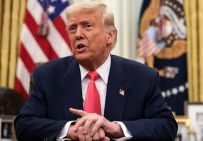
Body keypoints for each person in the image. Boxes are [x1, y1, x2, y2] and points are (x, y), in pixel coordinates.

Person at [14, 1, 177, 141]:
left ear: (110, 36)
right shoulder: (47, 75)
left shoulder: (142, 77)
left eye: (87, 26)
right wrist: (69, 130)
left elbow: (167, 126)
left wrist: (117, 129)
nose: (78, 34)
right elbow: (24, 125)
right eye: (72, 28)